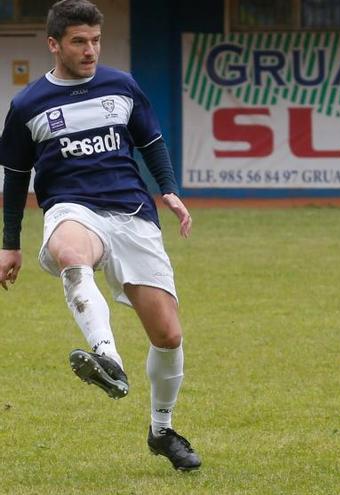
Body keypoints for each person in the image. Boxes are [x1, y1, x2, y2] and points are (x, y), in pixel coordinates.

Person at [0, 0, 200, 471]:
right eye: (78, 42)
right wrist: (10, 243)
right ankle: (106, 356)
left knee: (168, 335)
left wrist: (168, 191)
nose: (90, 51)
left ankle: (162, 430)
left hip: (132, 214)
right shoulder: (28, 105)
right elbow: (13, 176)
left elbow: (150, 140)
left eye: (95, 41)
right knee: (72, 251)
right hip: (73, 208)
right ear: (54, 44)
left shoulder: (121, 86)